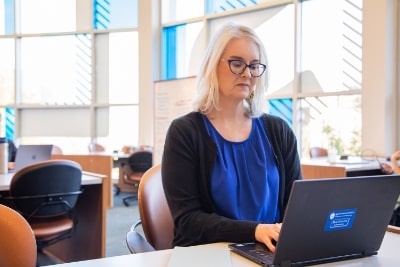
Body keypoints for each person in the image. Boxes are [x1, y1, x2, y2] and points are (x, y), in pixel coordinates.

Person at [161, 23, 302, 252]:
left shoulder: (278, 130)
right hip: (207, 254)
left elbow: (297, 206)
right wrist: (255, 230)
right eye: (237, 64)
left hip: (270, 251)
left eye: (254, 66)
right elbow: (188, 221)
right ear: (212, 66)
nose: (247, 73)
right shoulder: (185, 132)